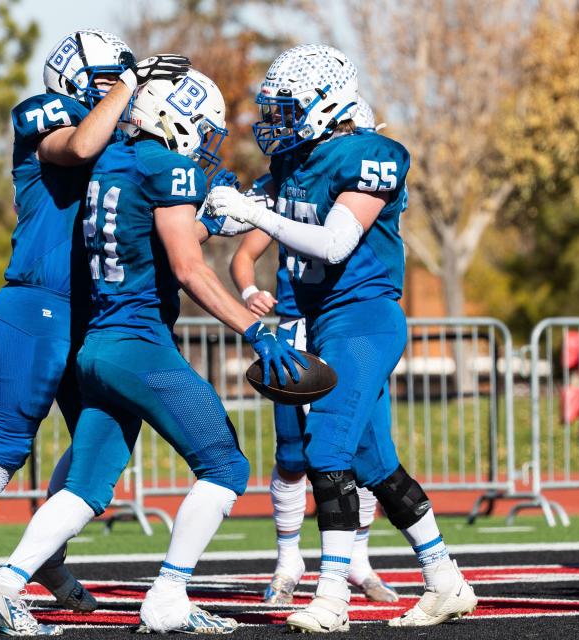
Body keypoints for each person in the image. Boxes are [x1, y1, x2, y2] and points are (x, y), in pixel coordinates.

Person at [0, 68, 305, 636]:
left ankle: (1, 588)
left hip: (97, 344)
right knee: (226, 467)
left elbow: (152, 235)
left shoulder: (112, 162)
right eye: (200, 123)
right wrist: (254, 328)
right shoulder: (169, 167)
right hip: (140, 340)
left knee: (85, 486)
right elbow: (187, 270)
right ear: (174, 115)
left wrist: (205, 224)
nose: (203, 137)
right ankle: (169, 595)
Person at [0, 28, 192, 633]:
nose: (118, 94)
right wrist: (127, 84)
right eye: (105, 81)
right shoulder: (47, 119)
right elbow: (82, 141)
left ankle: (44, 554)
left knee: (100, 443)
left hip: (94, 310)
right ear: (75, 79)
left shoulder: (123, 143)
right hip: (36, 302)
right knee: (10, 441)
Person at [207, 44, 477, 631]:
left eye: (286, 109)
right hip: (325, 320)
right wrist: (202, 203)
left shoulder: (369, 154)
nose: (273, 122)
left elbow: (332, 243)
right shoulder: (293, 164)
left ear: (327, 105)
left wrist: (255, 216)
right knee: (375, 462)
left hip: (364, 318)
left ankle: (331, 596)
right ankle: (446, 579)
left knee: (326, 450)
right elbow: (226, 220)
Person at [228, 97, 398, 607]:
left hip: (347, 325)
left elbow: (335, 244)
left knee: (362, 448)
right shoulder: (291, 178)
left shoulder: (355, 188)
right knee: (293, 454)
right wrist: (246, 291)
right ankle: (288, 561)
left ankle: (357, 562)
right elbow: (245, 250)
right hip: (299, 324)